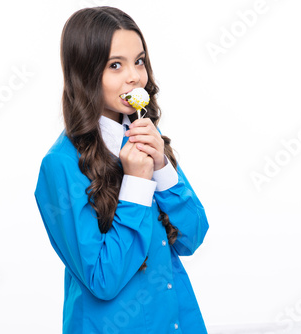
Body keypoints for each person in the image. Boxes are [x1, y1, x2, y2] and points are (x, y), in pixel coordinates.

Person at [34, 6, 209, 334]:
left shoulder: (146, 138)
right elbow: (102, 281)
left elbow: (192, 238)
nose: (134, 76)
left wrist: (163, 167)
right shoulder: (60, 164)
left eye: (139, 60)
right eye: (116, 65)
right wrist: (137, 183)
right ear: (84, 73)